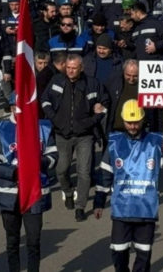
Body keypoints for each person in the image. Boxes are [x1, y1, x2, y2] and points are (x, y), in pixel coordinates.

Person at [93, 101, 163, 272]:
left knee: (143, 255)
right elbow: (105, 174)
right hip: (121, 209)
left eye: (136, 122)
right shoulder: (114, 142)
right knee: (118, 251)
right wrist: (99, 202)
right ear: (123, 120)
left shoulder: (156, 141)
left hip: (146, 209)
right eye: (129, 122)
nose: (132, 126)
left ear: (143, 119)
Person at [0, 94, 57, 272]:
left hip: (34, 193)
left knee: (34, 241)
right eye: (16, 106)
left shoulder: (43, 128)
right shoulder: (1, 128)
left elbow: (54, 156)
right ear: (10, 107)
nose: (20, 110)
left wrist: (36, 164)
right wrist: (13, 172)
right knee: (12, 241)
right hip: (9, 194)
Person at [41, 54, 109, 222]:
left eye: (74, 68)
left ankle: (80, 206)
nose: (70, 71)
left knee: (84, 173)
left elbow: (105, 103)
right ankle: (68, 192)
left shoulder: (92, 84)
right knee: (61, 169)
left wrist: (94, 119)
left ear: (81, 68)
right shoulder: (57, 81)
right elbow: (44, 100)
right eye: (68, 68)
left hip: (85, 135)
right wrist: (54, 118)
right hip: (62, 135)